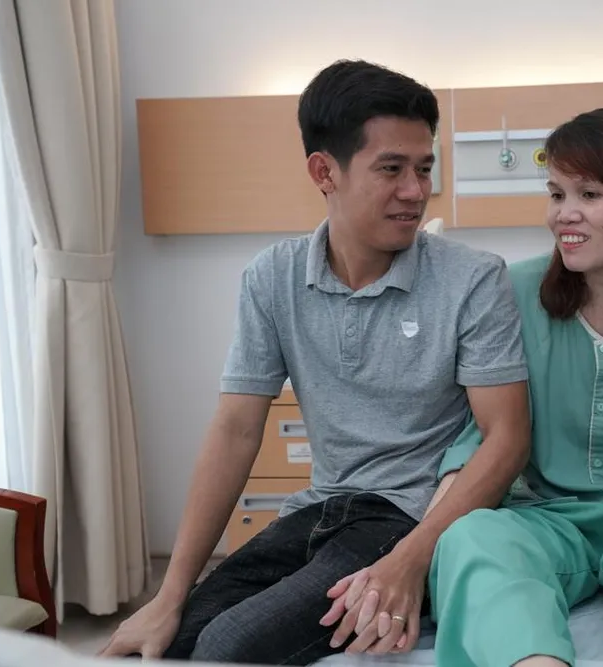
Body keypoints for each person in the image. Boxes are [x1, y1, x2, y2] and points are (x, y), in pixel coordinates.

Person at [98, 59, 531, 664]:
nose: (416, 190)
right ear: (324, 172)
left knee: (228, 647)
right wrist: (169, 595)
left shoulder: (473, 279)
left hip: (409, 520)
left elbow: (507, 439)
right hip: (317, 512)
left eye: (424, 168)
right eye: (392, 169)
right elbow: (235, 429)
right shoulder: (272, 277)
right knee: (169, 641)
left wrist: (411, 561)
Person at [326, 105, 603, 666]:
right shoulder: (514, 291)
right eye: (556, 194)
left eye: (590, 194)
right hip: (542, 515)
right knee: (473, 541)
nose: (564, 215)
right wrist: (424, 546)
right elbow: (480, 436)